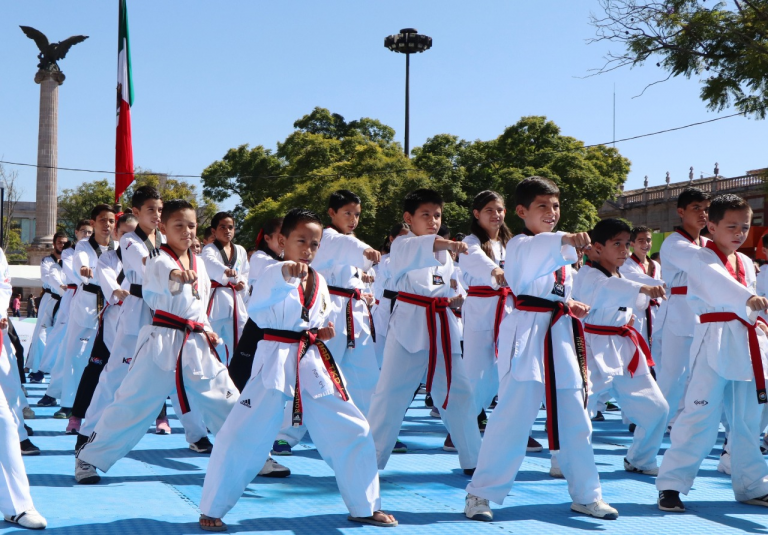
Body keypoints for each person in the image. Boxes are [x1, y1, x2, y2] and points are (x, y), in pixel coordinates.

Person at [198, 208, 396, 531]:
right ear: (281, 240)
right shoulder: (271, 274)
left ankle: (364, 505)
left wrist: (324, 331)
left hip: (312, 361)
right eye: (300, 241)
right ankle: (212, 507)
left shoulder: (319, 280)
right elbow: (257, 309)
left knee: (355, 428)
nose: (307, 249)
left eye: (314, 244)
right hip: (274, 362)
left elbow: (317, 319)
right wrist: (282, 276)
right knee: (241, 433)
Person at [464, 176, 617, 522]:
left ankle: (587, 494)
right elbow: (535, 259)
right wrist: (564, 238)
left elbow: (551, 287)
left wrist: (570, 303)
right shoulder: (520, 243)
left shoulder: (561, 253)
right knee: (512, 417)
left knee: (576, 417)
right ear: (521, 211)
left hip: (560, 332)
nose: (552, 212)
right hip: (527, 334)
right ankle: (480, 494)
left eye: (556, 206)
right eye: (542, 206)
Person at [75, 199, 240, 484]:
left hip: (195, 341)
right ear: (164, 228)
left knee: (225, 398)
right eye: (178, 226)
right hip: (161, 342)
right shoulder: (158, 258)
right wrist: (176, 275)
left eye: (191, 225)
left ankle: (254, 455)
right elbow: (161, 275)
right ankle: (87, 459)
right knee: (133, 404)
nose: (186, 231)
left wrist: (208, 328)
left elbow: (199, 305)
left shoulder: (199, 262)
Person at [656, 193, 768, 512]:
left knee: (746, 420)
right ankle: (671, 485)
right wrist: (747, 299)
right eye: (731, 226)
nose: (738, 233)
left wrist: (759, 321)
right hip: (713, 339)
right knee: (699, 416)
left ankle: (751, 484)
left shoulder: (746, 262)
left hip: (746, 342)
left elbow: (752, 304)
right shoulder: (701, 257)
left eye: (744, 227)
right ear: (712, 225)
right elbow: (717, 283)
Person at [367, 189, 481, 474]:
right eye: (425, 215)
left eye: (438, 215)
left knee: (460, 393)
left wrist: (458, 298)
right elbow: (425, 246)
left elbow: (454, 284)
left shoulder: (446, 254)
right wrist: (450, 244)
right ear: (409, 219)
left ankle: (474, 461)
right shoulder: (403, 246)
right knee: (390, 398)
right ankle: (369, 462)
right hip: (408, 329)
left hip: (442, 327)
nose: (433, 221)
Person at [273, 191, 381, 455]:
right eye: (347, 213)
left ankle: (371, 432)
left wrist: (366, 294)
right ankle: (286, 433)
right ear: (332, 213)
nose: (353, 219)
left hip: (356, 315)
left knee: (367, 379)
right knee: (317, 374)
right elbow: (351, 249)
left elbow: (363, 269)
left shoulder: (350, 241)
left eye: (357, 214)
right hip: (331, 312)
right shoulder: (330, 238)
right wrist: (366, 250)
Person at [575, 218, 669, 475]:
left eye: (626, 244)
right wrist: (643, 287)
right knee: (576, 409)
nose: (624, 250)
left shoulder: (624, 273)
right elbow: (607, 289)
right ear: (597, 247)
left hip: (625, 348)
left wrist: (653, 286)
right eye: (616, 244)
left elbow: (634, 285)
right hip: (591, 349)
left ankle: (640, 458)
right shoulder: (587, 274)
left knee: (658, 409)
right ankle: (562, 460)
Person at [70, 213, 137, 440]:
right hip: (110, 316)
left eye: (135, 234)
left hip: (139, 320)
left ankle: (160, 418)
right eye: (125, 233)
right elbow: (92, 269)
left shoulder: (147, 259)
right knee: (96, 366)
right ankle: (77, 416)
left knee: (145, 369)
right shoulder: (107, 258)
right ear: (117, 234)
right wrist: (117, 291)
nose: (131, 239)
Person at [460, 191, 516, 441]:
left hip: (511, 308)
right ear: (477, 214)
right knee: (477, 368)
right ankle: (463, 425)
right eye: (489, 210)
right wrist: (496, 271)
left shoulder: (512, 243)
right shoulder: (470, 242)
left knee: (511, 368)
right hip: (481, 308)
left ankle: (511, 425)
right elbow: (477, 261)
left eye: (500, 209)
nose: (496, 215)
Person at [55, 205, 118, 421]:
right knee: (75, 354)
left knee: (111, 357)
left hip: (113, 305)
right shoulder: (83, 246)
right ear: (93, 223)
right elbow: (79, 261)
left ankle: (105, 404)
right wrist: (84, 268)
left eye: (111, 221)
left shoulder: (118, 246)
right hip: (88, 302)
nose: (107, 224)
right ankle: (68, 404)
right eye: (102, 220)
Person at [654, 187, 711, 428]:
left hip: (705, 314)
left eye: (707, 209)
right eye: (696, 208)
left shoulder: (708, 242)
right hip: (679, 313)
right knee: (672, 378)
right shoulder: (674, 243)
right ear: (681, 212)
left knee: (700, 377)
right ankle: (653, 429)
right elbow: (706, 262)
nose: (703, 214)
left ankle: (682, 422)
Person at [37, 220, 94, 408]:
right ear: (76, 232)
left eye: (89, 232)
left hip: (98, 302)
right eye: (83, 232)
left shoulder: (102, 251)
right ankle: (54, 392)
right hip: (73, 299)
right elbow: (77, 275)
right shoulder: (70, 253)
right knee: (63, 347)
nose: (86, 235)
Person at [228, 218, 282, 394]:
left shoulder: (289, 262)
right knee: (239, 375)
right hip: (257, 326)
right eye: (281, 238)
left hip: (278, 328)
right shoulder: (260, 257)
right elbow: (278, 270)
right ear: (267, 238)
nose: (285, 243)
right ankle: (227, 416)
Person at [201, 212, 249, 365]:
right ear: (214, 231)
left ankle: (234, 372)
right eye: (222, 227)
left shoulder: (240, 250)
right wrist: (226, 272)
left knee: (238, 338)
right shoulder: (209, 249)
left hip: (234, 299)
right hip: (215, 299)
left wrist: (242, 283)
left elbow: (246, 272)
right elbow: (209, 263)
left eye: (230, 227)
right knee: (212, 338)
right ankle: (211, 369)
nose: (227, 230)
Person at [26, 230, 67, 382]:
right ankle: (38, 369)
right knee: (41, 335)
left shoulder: (70, 261)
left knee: (62, 336)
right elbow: (47, 277)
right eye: (59, 242)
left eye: (64, 242)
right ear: (54, 243)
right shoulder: (47, 261)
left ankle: (55, 369)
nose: (62, 245)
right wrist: (62, 287)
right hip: (51, 299)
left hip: (67, 300)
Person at [623, 226, 663, 351]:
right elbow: (640, 280)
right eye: (641, 240)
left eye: (648, 240)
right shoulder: (626, 264)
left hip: (656, 311)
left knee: (659, 347)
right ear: (632, 243)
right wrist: (669, 285)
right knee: (639, 347)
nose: (646, 244)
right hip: (638, 312)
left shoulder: (655, 264)